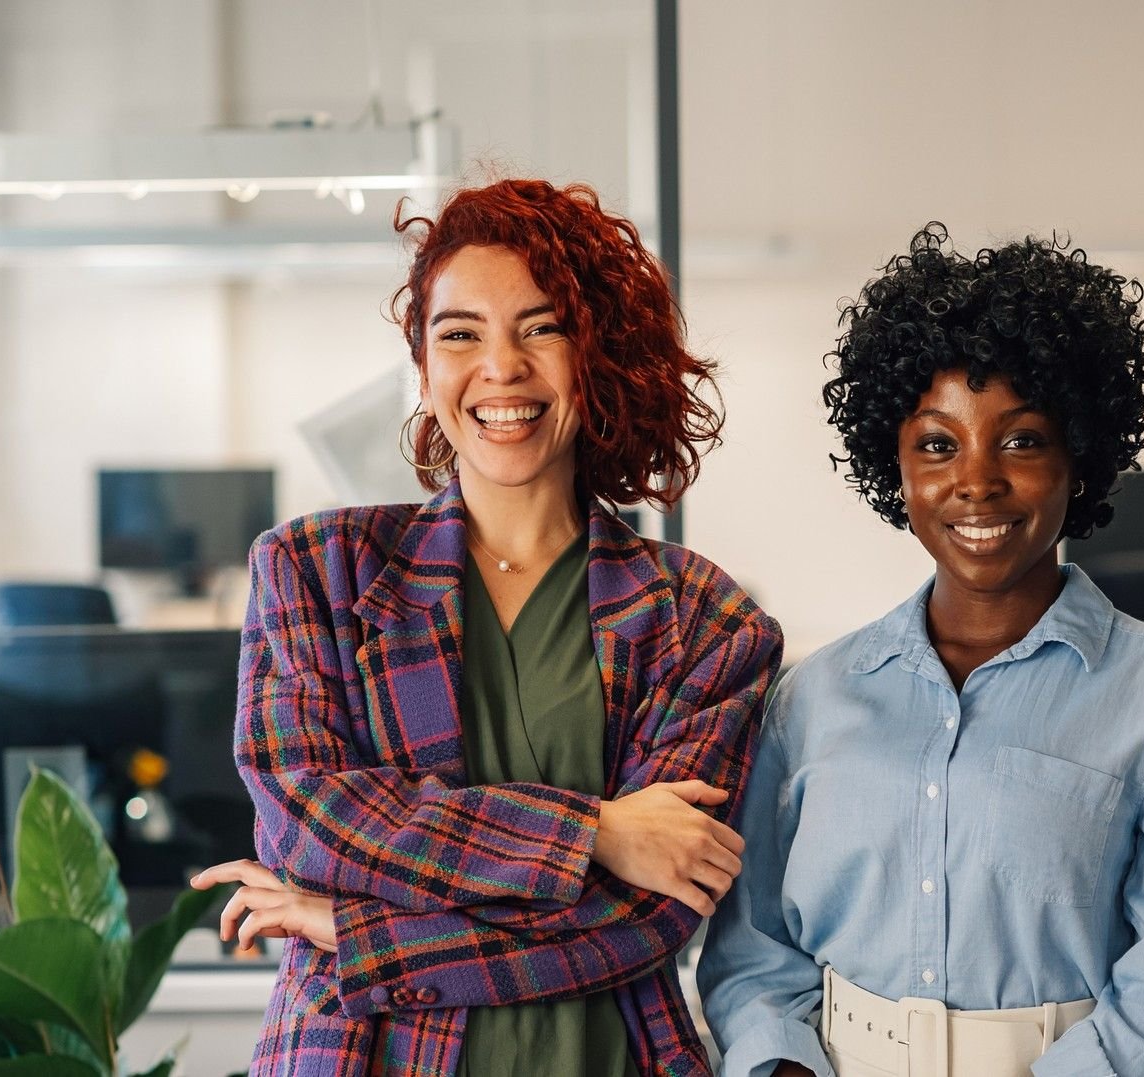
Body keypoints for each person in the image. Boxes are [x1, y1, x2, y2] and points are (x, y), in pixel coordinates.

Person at [192, 178, 783, 1077]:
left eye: (541, 327)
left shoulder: (704, 619)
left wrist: (349, 927)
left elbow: (644, 917)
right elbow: (311, 823)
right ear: (424, 368)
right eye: (459, 332)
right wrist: (595, 833)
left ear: (598, 355)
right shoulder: (317, 569)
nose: (500, 367)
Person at [697, 224, 1144, 1077]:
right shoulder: (814, 698)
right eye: (937, 444)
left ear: (1081, 457)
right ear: (898, 466)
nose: (976, 480)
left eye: (1021, 439)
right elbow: (756, 946)